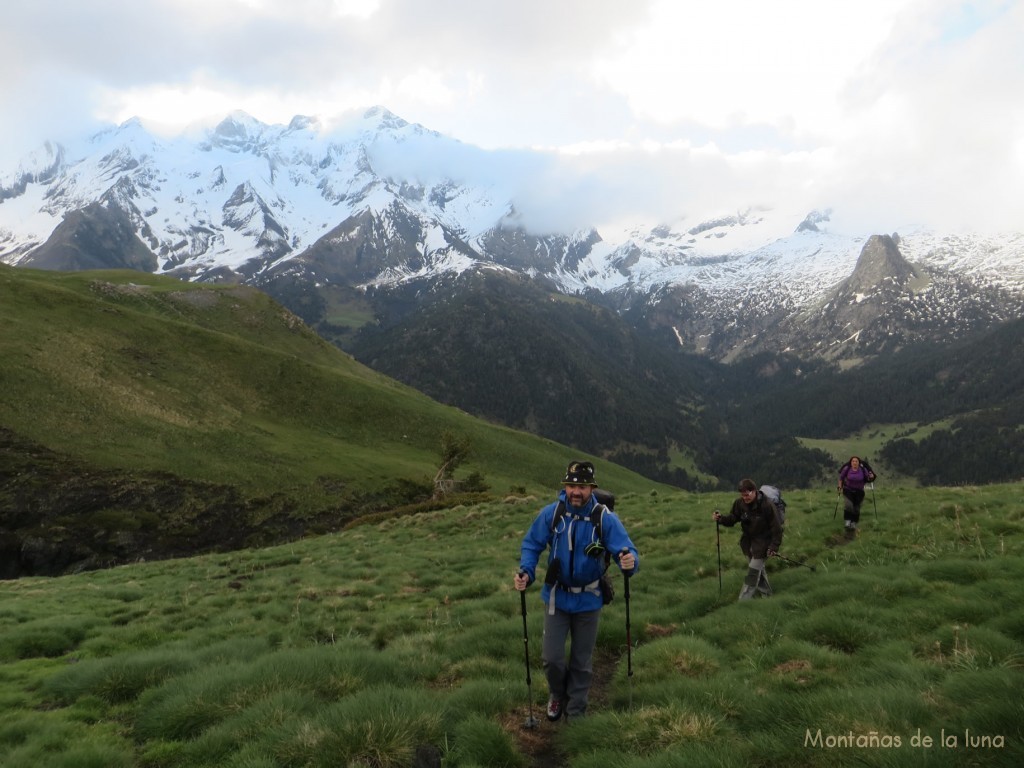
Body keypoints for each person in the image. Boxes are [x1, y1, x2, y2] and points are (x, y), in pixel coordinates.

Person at [513, 460, 638, 722]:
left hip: (589, 598)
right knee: (551, 659)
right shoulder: (553, 513)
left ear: (592, 488)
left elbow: (625, 549)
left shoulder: (604, 518)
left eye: (582, 486)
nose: (576, 492)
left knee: (582, 661)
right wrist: (526, 571)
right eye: (571, 485)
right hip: (556, 596)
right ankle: (557, 694)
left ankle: (576, 711)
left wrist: (630, 562)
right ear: (565, 486)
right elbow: (532, 543)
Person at [712, 478, 783, 600]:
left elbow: (777, 528)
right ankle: (768, 596)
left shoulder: (767, 505)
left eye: (747, 495)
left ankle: (742, 603)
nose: (745, 498)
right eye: (742, 495)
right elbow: (733, 518)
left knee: (752, 575)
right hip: (748, 543)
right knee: (757, 572)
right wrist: (721, 519)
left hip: (764, 544)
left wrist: (773, 547)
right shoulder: (739, 503)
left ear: (754, 491)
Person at [838, 456, 876, 537]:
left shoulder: (863, 470)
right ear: (851, 462)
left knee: (856, 508)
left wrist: (871, 477)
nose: (854, 463)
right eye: (853, 461)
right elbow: (841, 478)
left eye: (856, 461)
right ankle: (847, 521)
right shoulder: (847, 469)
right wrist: (840, 486)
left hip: (859, 492)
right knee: (848, 505)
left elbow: (868, 478)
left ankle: (854, 523)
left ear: (859, 463)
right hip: (848, 490)